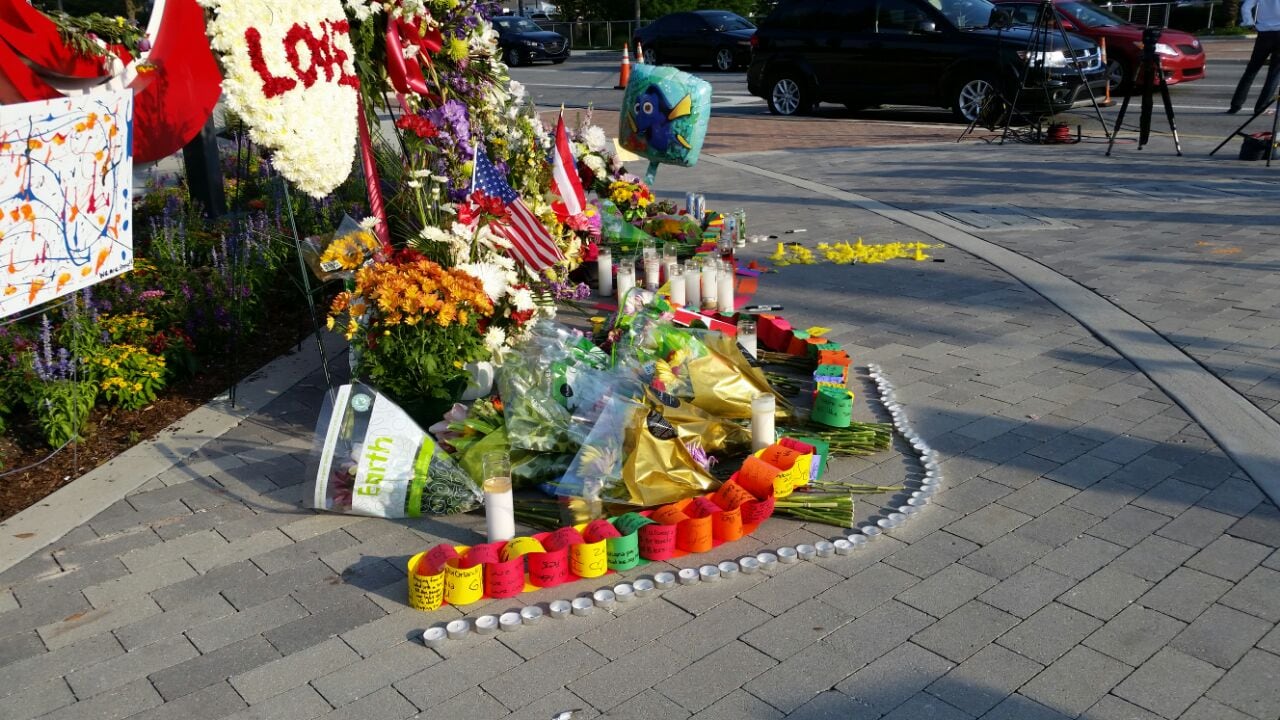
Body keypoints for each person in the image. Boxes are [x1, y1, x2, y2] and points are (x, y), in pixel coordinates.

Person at [1229, 0, 1280, 114]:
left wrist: (1249, 22)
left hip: (1264, 33)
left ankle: (1236, 105)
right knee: (1274, 73)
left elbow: (1246, 7)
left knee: (1251, 70)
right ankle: (1261, 107)